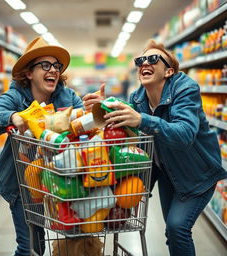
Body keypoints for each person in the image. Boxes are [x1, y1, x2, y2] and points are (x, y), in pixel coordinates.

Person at [82, 39, 227, 256]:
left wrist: (142, 121)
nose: (144, 63)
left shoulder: (186, 89)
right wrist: (104, 107)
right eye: (141, 60)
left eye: (152, 59)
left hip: (197, 173)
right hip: (168, 171)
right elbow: (131, 133)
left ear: (168, 71)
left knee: (178, 227)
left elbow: (185, 134)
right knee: (173, 232)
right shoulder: (138, 98)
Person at [0, 36, 83, 256]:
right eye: (45, 65)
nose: (52, 70)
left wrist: (94, 111)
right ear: (29, 73)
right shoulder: (15, 96)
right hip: (24, 183)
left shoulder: (69, 97)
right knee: (33, 247)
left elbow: (88, 128)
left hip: (63, 179)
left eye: (56, 65)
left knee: (79, 239)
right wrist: (12, 116)